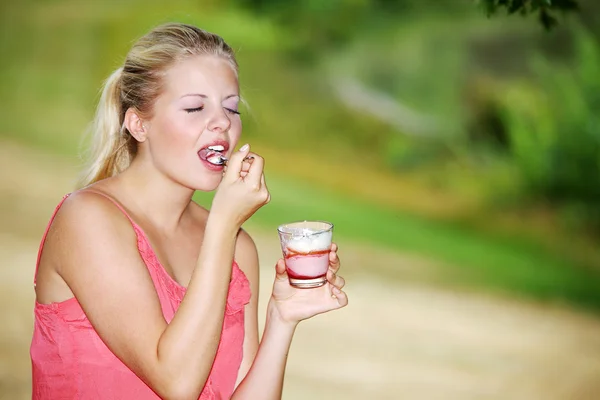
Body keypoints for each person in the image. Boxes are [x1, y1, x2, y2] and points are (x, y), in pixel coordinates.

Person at [30, 22, 348, 400]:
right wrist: (223, 223)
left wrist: (282, 317)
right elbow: (176, 382)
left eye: (231, 108)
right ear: (138, 124)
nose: (222, 123)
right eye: (195, 107)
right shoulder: (88, 220)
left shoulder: (238, 248)